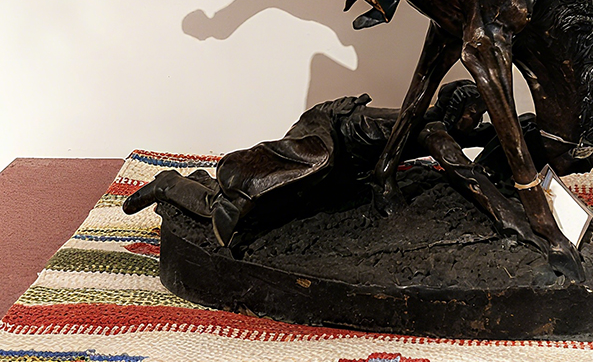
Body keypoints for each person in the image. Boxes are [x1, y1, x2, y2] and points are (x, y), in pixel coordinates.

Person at [124, 81, 543, 250]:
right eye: (474, 112)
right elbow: (463, 169)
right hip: (331, 128)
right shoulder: (434, 131)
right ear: (458, 111)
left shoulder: (444, 128)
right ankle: (235, 187)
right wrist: (510, 216)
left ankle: (172, 185)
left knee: (273, 213)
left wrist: (525, 132)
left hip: (347, 166)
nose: (477, 120)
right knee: (310, 163)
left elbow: (489, 136)